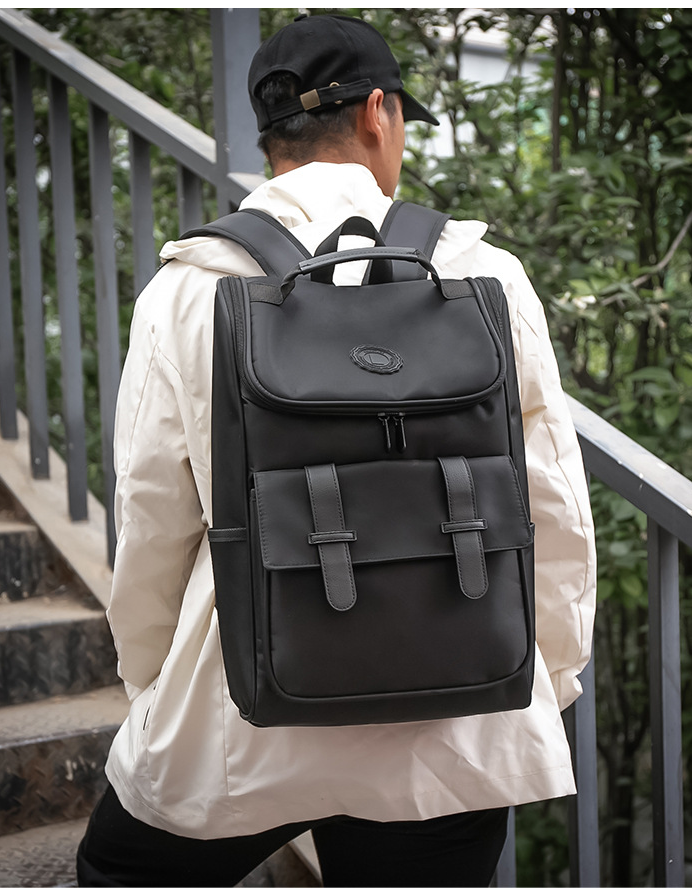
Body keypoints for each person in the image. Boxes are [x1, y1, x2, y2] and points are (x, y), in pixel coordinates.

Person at [77, 13, 596, 888]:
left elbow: (152, 517)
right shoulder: (485, 275)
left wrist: (153, 684)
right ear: (378, 113)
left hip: (246, 710)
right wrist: (541, 676)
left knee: (114, 871)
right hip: (455, 718)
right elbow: (553, 504)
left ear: (271, 138)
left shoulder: (189, 287)